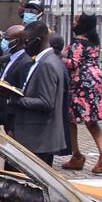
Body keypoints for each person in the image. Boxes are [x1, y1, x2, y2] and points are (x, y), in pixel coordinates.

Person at [62, 13, 102, 174]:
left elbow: (73, 63)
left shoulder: (79, 42)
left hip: (81, 82)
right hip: (97, 78)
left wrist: (58, 57)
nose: (73, 22)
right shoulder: (94, 41)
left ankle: (76, 155)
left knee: (70, 119)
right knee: (91, 121)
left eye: (76, 20)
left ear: (82, 24)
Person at [11, 21, 67, 165]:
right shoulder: (45, 60)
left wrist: (14, 100)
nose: (24, 47)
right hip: (38, 137)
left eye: (26, 43)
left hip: (39, 138)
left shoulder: (47, 64)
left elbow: (46, 102)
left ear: (38, 41)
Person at [0, 24, 33, 138]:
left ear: (16, 41)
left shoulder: (25, 62)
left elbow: (22, 92)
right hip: (4, 116)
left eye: (6, 39)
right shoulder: (10, 58)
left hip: (14, 120)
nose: (3, 41)